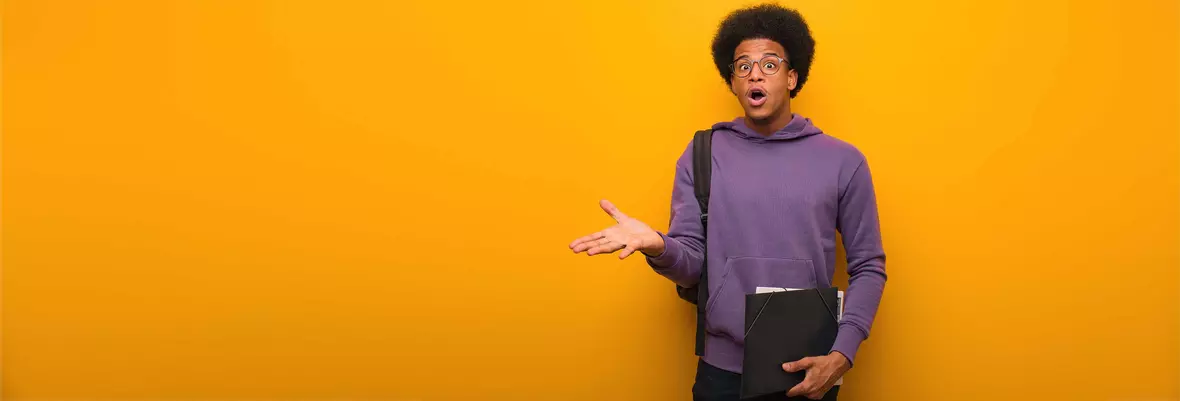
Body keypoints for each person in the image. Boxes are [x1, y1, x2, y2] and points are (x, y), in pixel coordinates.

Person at [569, 3, 886, 401]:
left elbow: (868, 265)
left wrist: (842, 354)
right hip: (720, 374)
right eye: (743, 66)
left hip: (809, 367)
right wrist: (659, 245)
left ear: (792, 77)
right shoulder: (703, 153)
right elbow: (691, 266)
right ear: (733, 82)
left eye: (770, 64)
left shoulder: (843, 161)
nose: (755, 73)